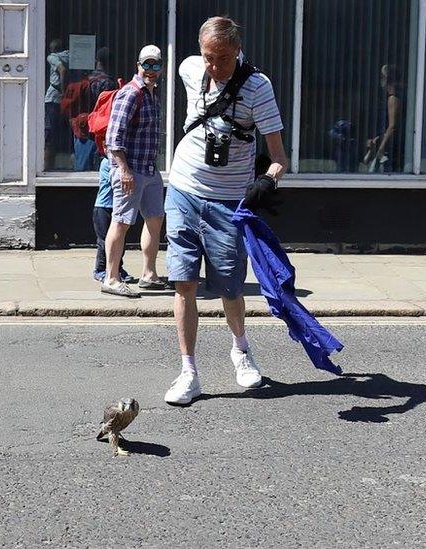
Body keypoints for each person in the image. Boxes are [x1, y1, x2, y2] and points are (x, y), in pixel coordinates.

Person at [163, 16, 289, 405]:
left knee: (230, 287)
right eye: (208, 57)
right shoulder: (188, 68)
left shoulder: (257, 87)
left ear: (237, 50)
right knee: (184, 282)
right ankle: (188, 372)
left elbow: (279, 158)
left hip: (227, 201)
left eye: (221, 58)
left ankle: (241, 349)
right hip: (182, 189)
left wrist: (267, 181)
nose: (213, 66)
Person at [101, 44, 167, 298]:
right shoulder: (131, 93)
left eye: (156, 65)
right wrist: (124, 170)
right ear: (138, 65)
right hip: (131, 170)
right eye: (147, 64)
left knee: (155, 218)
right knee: (121, 221)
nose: (151, 70)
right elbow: (113, 137)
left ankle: (149, 274)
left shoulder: (151, 93)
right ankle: (111, 277)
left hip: (149, 169)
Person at [92, 156, 136, 283]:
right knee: (104, 241)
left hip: (118, 206)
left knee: (119, 239)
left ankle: (118, 268)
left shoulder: (123, 164)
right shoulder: (106, 163)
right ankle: (100, 270)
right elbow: (116, 182)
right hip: (103, 207)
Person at [73, 48, 118, 171]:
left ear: (96, 60)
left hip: (82, 126)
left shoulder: (86, 79)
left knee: (81, 167)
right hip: (98, 129)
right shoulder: (108, 83)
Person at [364, 64, 404, 173]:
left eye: (383, 77)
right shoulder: (392, 98)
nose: (381, 80)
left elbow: (392, 126)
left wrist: (381, 148)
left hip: (390, 150)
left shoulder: (393, 99)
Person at [44, 39, 69, 170]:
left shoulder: (52, 57)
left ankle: (48, 167)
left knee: (49, 135)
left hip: (52, 98)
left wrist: (63, 89)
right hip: (64, 100)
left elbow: (62, 69)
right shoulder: (70, 55)